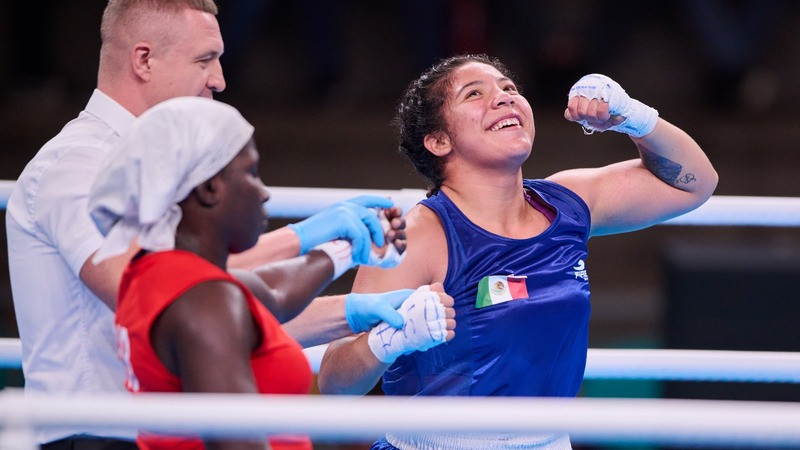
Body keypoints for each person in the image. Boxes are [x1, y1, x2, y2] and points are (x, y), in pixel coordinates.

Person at [4, 1, 418, 447]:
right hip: (97, 436)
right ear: (143, 60)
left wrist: (352, 313)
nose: (220, 79)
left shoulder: (168, 172)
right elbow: (163, 293)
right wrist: (305, 238)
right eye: (204, 60)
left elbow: (225, 316)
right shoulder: (77, 166)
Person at [317, 54, 718, 449]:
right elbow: (335, 383)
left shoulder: (569, 204)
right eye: (474, 94)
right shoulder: (420, 236)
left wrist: (634, 117)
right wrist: (386, 340)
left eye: (509, 88)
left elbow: (695, 183)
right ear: (439, 141)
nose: (504, 97)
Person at [85, 96, 455, 450]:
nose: (264, 193)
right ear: (211, 188)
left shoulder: (158, 273)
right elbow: (237, 442)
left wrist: (343, 251)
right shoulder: (205, 303)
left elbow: (272, 295)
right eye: (251, 173)